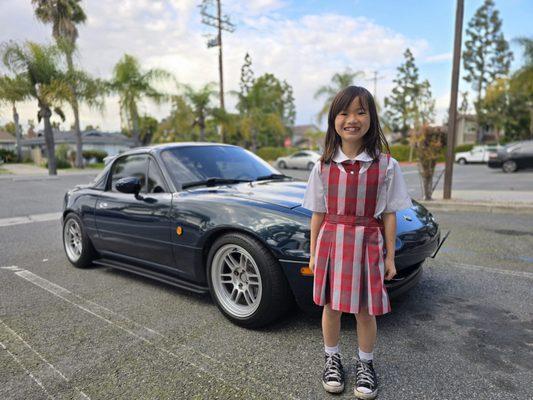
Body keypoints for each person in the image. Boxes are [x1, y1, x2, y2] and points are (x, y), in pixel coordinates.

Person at [302, 86, 412, 399]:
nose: (352, 119)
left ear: (371, 118)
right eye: (344, 112)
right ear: (333, 120)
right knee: (332, 306)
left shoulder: (386, 165)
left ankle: (365, 363)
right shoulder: (322, 166)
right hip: (332, 243)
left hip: (368, 242)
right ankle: (332, 357)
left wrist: (390, 257)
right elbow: (318, 215)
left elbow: (389, 214)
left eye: (361, 112)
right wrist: (312, 255)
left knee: (366, 310)